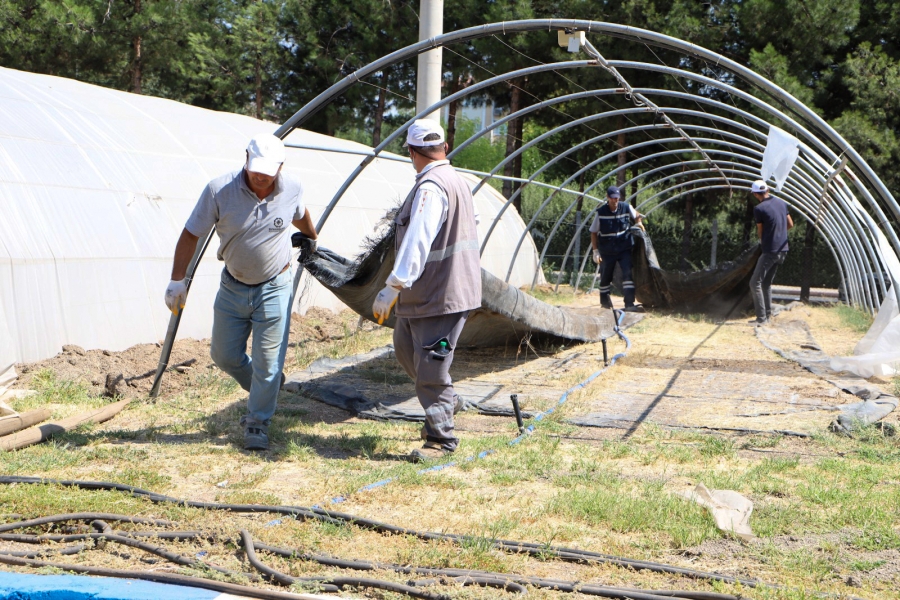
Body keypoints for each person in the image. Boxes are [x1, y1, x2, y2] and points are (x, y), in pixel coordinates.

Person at [164, 133, 318, 450]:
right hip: (233, 285)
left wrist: (312, 238)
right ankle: (268, 387)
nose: (261, 176)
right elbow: (191, 234)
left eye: (268, 171)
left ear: (281, 166)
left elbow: (300, 214)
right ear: (246, 157)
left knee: (268, 362)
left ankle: (258, 422)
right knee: (223, 355)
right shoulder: (219, 190)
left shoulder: (292, 186)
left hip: (275, 285)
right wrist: (177, 279)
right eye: (256, 168)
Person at [371, 119, 481, 462]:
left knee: (431, 369)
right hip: (432, 293)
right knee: (405, 347)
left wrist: (393, 286)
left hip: (440, 296)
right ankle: (446, 402)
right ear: (444, 148)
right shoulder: (456, 181)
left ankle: (440, 438)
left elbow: (418, 238)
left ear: (411, 153)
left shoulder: (431, 187)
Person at [589, 185, 644, 311]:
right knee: (605, 277)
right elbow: (593, 232)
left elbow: (637, 215)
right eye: (613, 198)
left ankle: (629, 304)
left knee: (627, 274)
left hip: (624, 249)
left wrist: (639, 222)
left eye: (617, 198)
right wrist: (595, 251)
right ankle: (605, 304)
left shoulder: (625, 207)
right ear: (608, 198)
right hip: (607, 251)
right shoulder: (601, 213)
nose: (616, 200)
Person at [748, 179, 793, 326]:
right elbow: (790, 224)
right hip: (783, 249)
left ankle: (761, 319)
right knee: (766, 283)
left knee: (755, 283)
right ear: (767, 190)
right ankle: (767, 317)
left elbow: (760, 230)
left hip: (770, 250)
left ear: (755, 194)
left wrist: (763, 240)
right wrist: (779, 233)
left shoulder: (759, 209)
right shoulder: (781, 203)